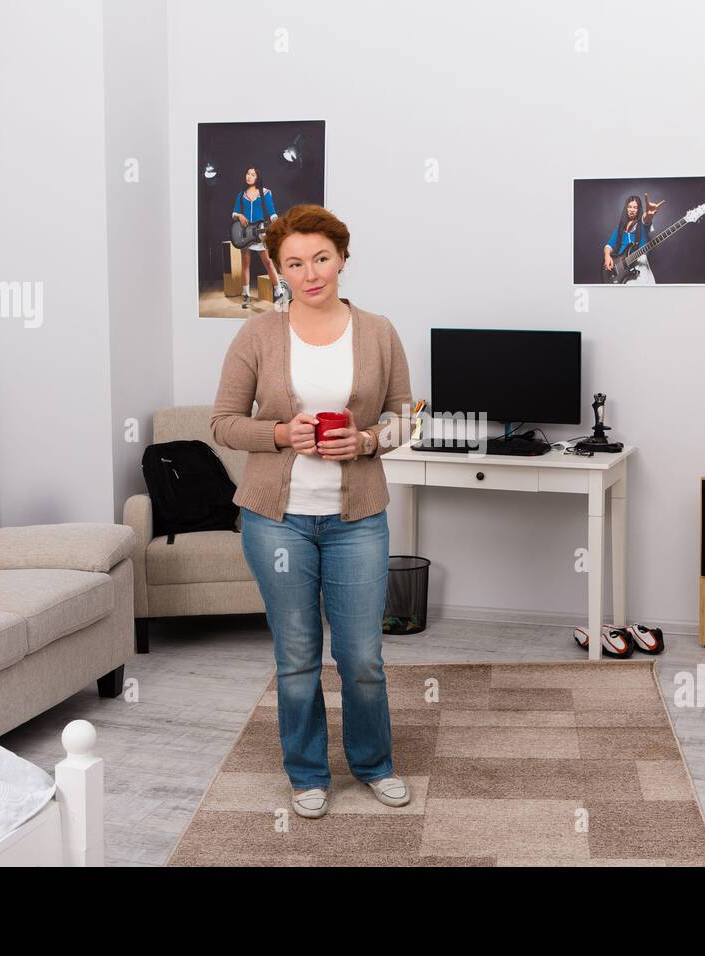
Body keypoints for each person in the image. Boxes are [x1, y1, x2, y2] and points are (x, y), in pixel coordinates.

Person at [210, 203, 414, 819]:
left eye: (321, 258)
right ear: (277, 268)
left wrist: (368, 440)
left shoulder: (377, 330)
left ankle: (373, 764)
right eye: (294, 262)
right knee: (297, 657)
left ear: (343, 258)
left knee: (362, 658)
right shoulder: (256, 335)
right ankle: (307, 773)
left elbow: (404, 415)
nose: (311, 272)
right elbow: (222, 422)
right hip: (278, 521)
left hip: (357, 520)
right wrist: (278, 434)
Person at [232, 167, 290, 308]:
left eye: (252, 174)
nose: (249, 176)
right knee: (245, 264)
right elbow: (234, 214)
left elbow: (271, 212)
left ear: (257, 177)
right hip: (244, 233)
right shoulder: (241, 195)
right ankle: (245, 296)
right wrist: (239, 216)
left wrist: (277, 221)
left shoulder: (265, 193)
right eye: (247, 173)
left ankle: (279, 292)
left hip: (260, 233)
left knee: (268, 263)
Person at [603, 193, 664, 285]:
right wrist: (607, 256)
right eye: (629, 207)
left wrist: (649, 214)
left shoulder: (642, 224)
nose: (632, 210)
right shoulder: (621, 228)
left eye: (635, 207)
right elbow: (609, 246)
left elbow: (646, 219)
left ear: (639, 209)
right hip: (621, 269)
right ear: (626, 209)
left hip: (640, 267)